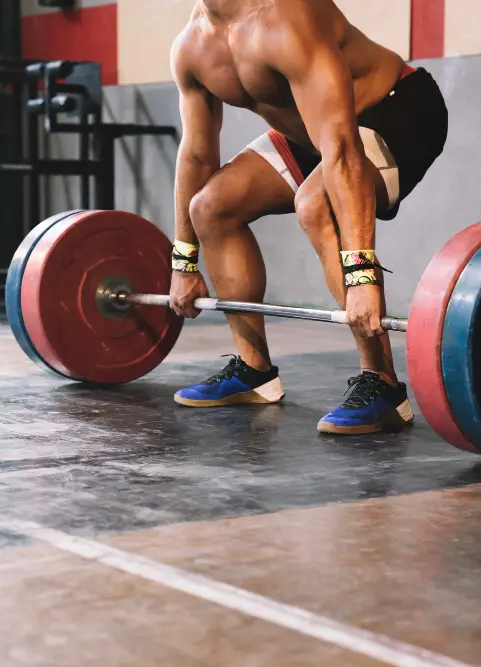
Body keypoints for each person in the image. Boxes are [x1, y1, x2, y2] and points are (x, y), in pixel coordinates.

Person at [168, 0, 448, 434]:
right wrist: (182, 263)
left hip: (395, 108)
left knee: (316, 203)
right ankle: (253, 370)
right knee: (210, 206)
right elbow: (198, 155)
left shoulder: (285, 15)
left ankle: (383, 385)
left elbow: (339, 147)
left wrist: (361, 276)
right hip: (310, 132)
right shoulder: (193, 46)